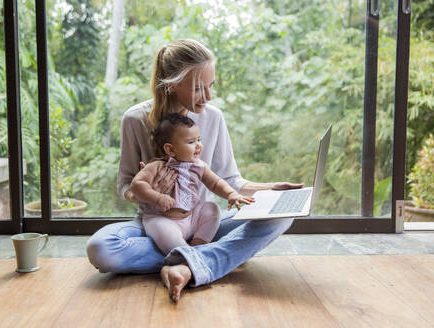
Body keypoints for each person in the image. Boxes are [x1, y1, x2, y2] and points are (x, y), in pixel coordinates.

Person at [86, 38, 303, 303]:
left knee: (282, 216)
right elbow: (125, 187)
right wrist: (150, 194)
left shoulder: (213, 118)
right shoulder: (135, 119)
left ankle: (186, 263)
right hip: (156, 223)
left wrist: (271, 189)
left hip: (202, 224)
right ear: (173, 84)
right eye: (199, 88)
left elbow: (230, 180)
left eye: (211, 86)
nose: (209, 96)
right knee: (101, 248)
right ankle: (211, 258)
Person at [130, 113, 254, 255]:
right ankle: (184, 253)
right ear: (170, 149)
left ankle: (199, 244)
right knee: (163, 231)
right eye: (191, 142)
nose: (198, 146)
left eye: (199, 140)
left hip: (191, 218)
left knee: (211, 209)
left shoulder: (199, 166)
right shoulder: (157, 166)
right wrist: (157, 198)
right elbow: (137, 184)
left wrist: (231, 194)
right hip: (163, 218)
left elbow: (216, 183)